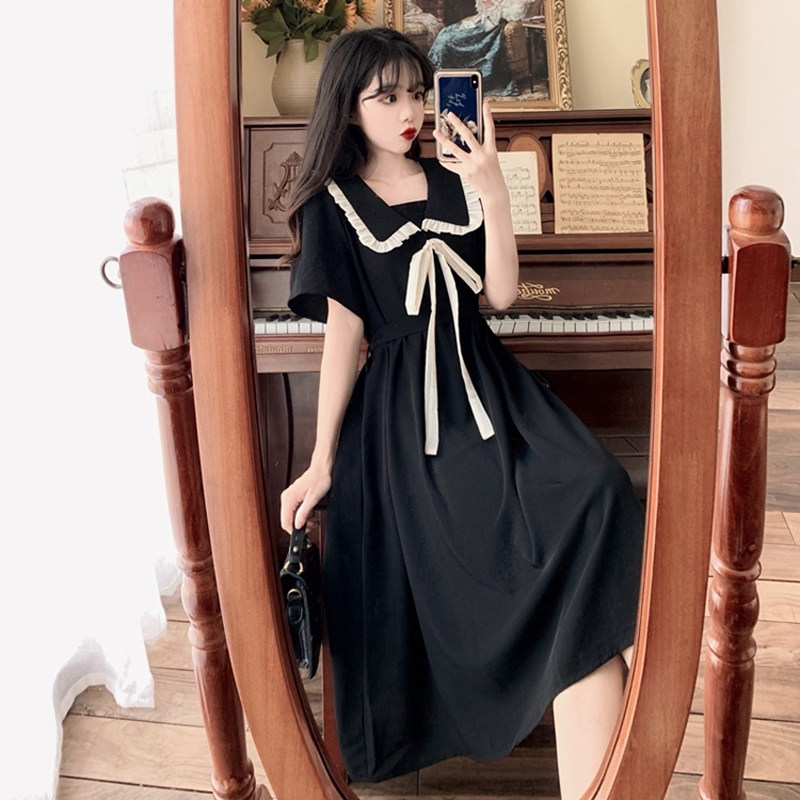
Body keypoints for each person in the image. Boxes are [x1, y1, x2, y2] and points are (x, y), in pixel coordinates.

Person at [280, 27, 644, 800]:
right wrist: (320, 460)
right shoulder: (331, 205)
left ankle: (594, 679)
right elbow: (345, 334)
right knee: (523, 544)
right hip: (404, 421)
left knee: (600, 489)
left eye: (417, 93)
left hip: (489, 387)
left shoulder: (455, 180)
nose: (408, 111)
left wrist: (494, 189)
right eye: (387, 97)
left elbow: (501, 294)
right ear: (349, 107)